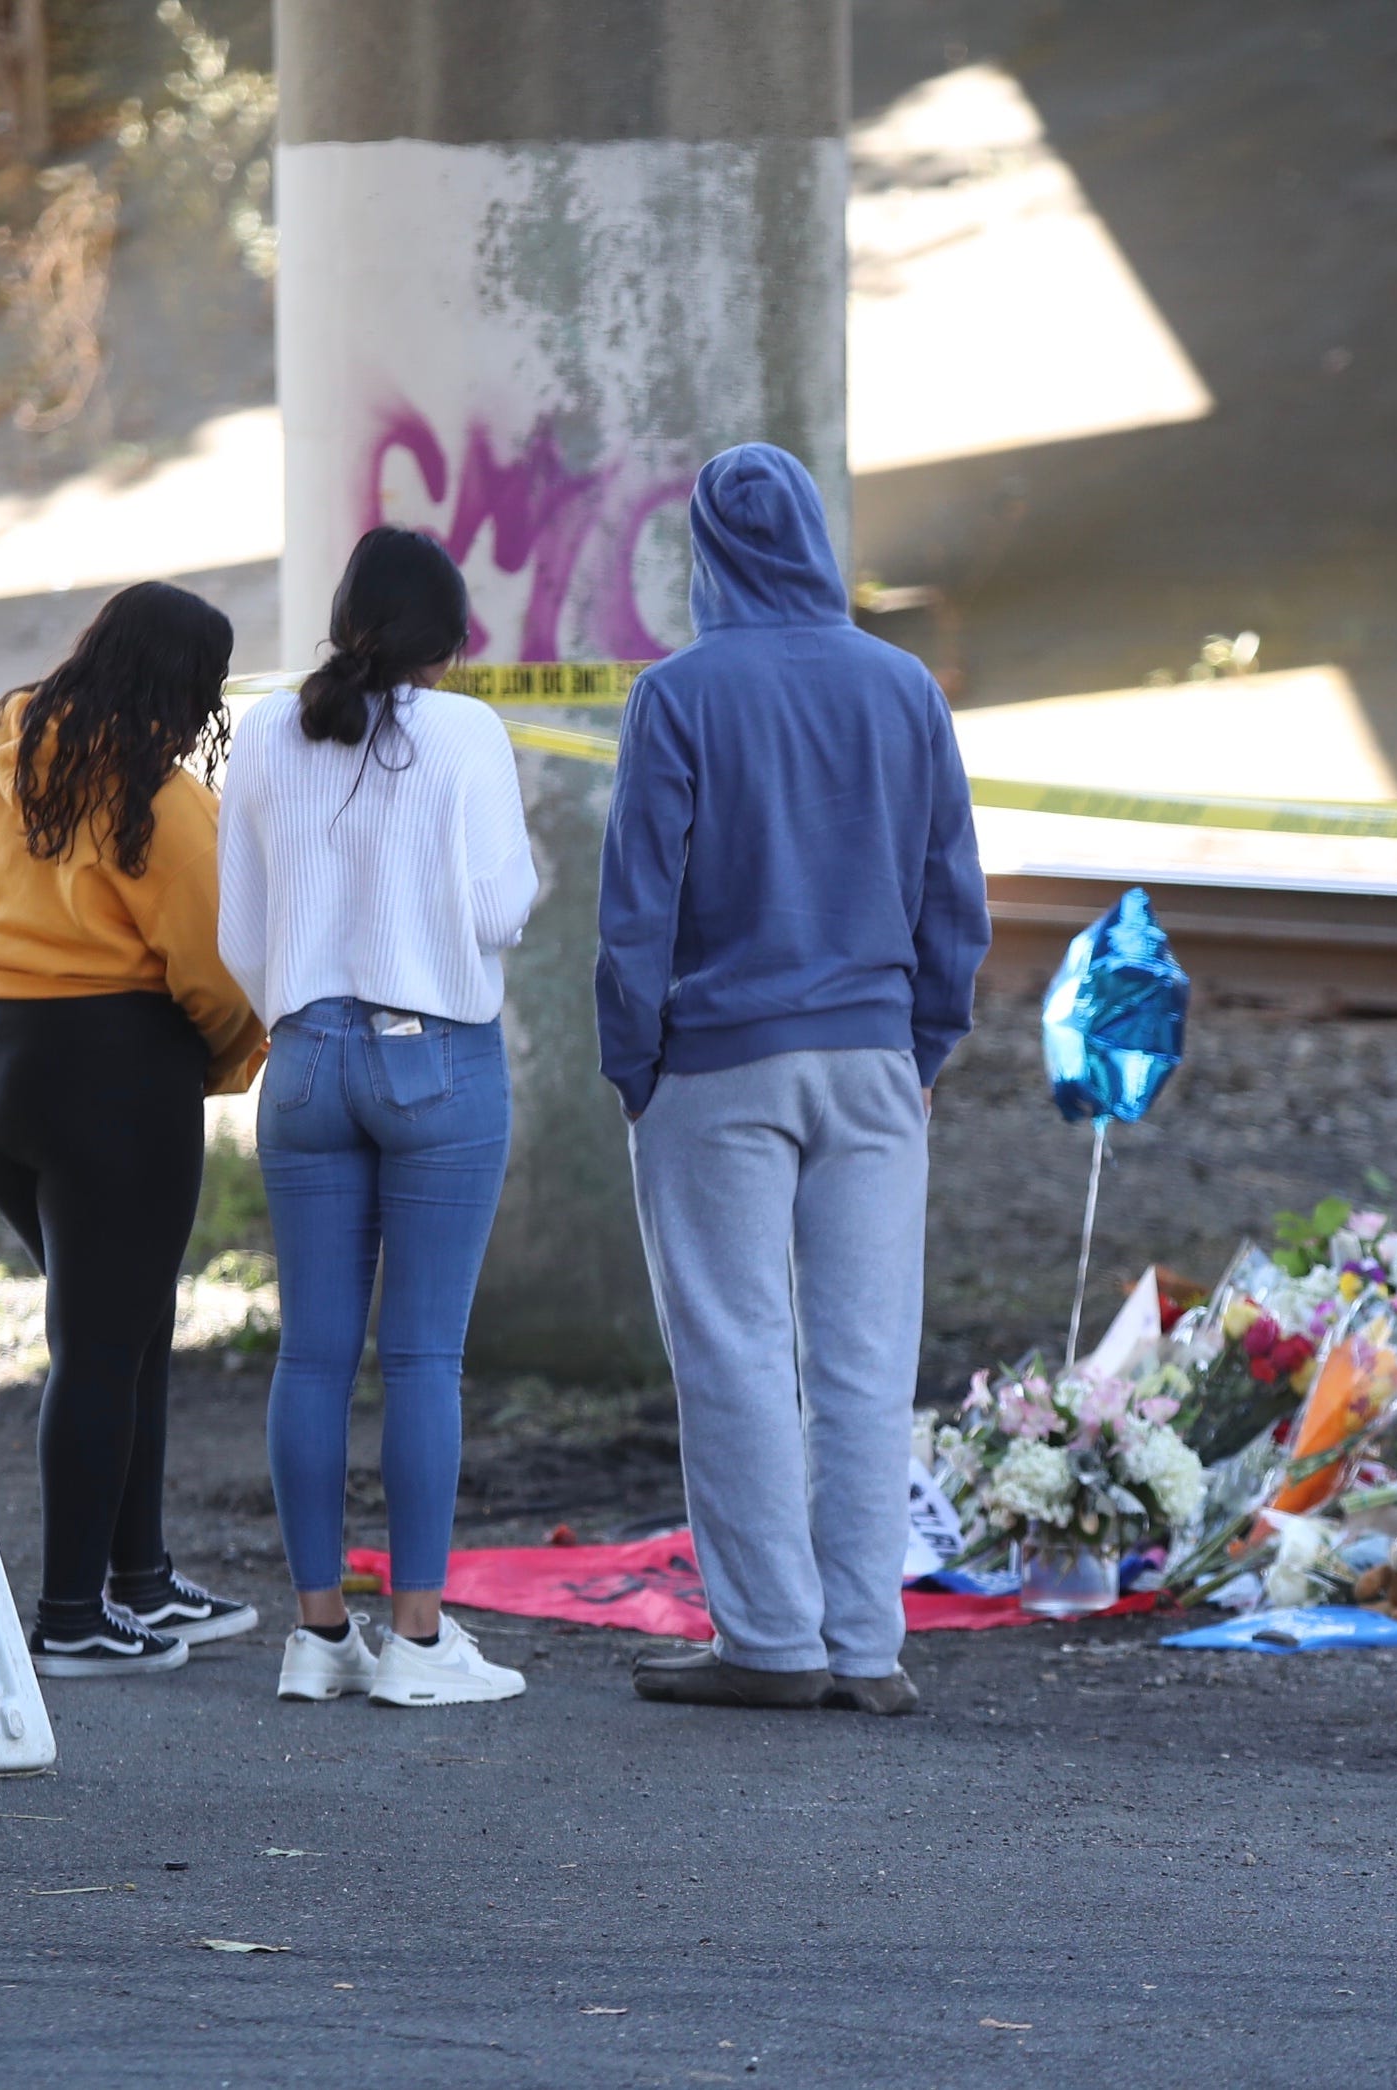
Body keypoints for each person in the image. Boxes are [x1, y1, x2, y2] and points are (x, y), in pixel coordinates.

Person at [596, 442, 991, 1717]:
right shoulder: (903, 688)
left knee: (736, 1349)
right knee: (868, 1356)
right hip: (875, 1059)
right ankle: (867, 1645)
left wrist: (633, 1065)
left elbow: (636, 908)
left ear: (705, 550)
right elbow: (952, 895)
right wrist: (921, 1041)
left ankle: (770, 1639)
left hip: (716, 1068)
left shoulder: (678, 695)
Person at [220, 526, 539, 1709]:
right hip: (434, 1058)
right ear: (449, 638)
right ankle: (415, 1641)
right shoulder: (467, 733)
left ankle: (317, 1634)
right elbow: (499, 908)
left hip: (301, 1060)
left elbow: (237, 934)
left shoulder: (264, 731)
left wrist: (307, 1009)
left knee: (310, 1351)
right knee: (418, 1355)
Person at [0, 581, 267, 1677]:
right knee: (104, 1338)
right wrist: (220, 1059)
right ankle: (72, 1611)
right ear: (182, 687)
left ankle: (139, 1579)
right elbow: (220, 967)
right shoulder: (158, 801)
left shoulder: (3, 764)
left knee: (122, 1327)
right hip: (105, 1068)